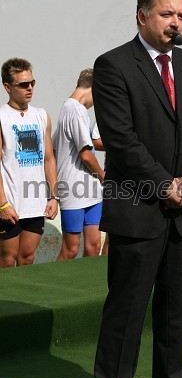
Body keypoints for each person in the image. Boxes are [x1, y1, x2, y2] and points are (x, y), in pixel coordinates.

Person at [92, 0, 182, 378]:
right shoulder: (112, 66)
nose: (175, 23)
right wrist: (165, 184)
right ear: (142, 15)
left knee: (178, 303)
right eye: (167, 14)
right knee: (127, 306)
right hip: (138, 206)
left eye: (181, 15)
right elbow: (121, 141)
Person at [0, 58, 58, 267]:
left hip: (35, 202)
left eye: (32, 82)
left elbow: (49, 159)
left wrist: (54, 196)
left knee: (27, 258)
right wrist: (2, 204)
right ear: (8, 87)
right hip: (9, 204)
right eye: (23, 84)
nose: (30, 88)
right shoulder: (2, 117)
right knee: (7, 260)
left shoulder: (41, 116)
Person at [53, 69, 105, 260]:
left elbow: (53, 147)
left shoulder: (72, 108)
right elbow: (85, 154)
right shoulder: (75, 109)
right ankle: (54, 288)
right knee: (71, 249)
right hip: (73, 190)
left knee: (93, 246)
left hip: (91, 191)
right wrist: (102, 174)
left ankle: (88, 288)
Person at [91, 122, 108, 255]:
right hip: (119, 178)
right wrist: (123, 144)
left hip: (149, 177)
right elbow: (96, 141)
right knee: (114, 235)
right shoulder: (113, 107)